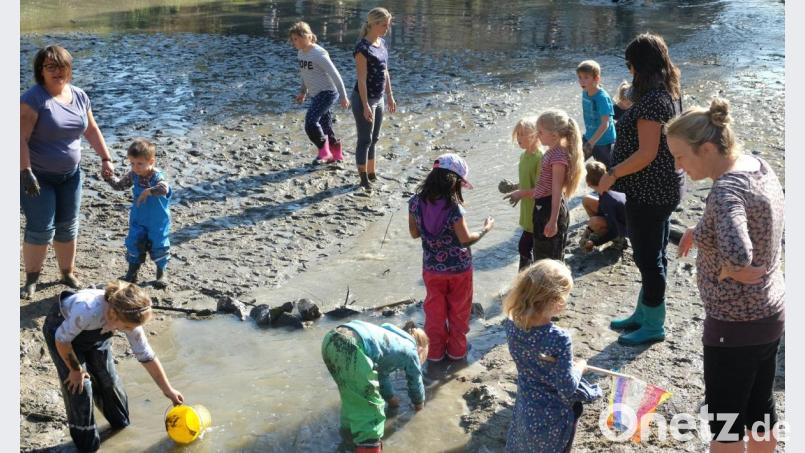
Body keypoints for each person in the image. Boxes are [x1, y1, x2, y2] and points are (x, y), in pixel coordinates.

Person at [669, 98, 784, 453]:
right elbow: (754, 219)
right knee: (760, 410)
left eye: (681, 157)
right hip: (769, 313)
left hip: (734, 327)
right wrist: (699, 230)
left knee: (726, 426)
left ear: (706, 149)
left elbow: (739, 253)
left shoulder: (724, 191)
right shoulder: (757, 166)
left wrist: (726, 268)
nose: (677, 166)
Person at [598, 33, 684, 346]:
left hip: (650, 193)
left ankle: (654, 324)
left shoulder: (653, 102)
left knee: (649, 260)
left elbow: (646, 153)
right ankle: (644, 312)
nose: (629, 70)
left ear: (639, 65)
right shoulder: (666, 92)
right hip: (660, 188)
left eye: (629, 64)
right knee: (653, 255)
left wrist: (612, 174)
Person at [20, 44, 115, 299]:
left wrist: (106, 158)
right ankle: (31, 279)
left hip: (71, 175)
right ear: (41, 70)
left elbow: (91, 129)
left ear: (69, 69)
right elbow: (19, 138)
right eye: (50, 66)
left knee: (67, 226)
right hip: (37, 176)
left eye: (61, 66)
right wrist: (25, 171)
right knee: (41, 228)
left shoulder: (80, 96)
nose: (57, 71)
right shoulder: (33, 99)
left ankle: (66, 273)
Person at [42, 282, 184, 452]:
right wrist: (75, 370)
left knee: (108, 379)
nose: (132, 331)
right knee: (81, 386)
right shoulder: (87, 310)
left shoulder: (128, 318)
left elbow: (146, 356)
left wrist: (168, 390)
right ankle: (86, 445)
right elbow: (61, 340)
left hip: (98, 332)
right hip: (62, 332)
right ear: (112, 314)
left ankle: (121, 425)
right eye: (128, 328)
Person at [503, 260, 602, 453]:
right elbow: (567, 387)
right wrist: (579, 367)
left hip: (526, 403)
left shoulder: (511, 324)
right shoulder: (559, 338)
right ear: (557, 301)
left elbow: (530, 355)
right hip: (553, 414)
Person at [408, 153, 493, 361]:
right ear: (454, 182)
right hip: (459, 270)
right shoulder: (453, 208)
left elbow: (414, 233)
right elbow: (465, 240)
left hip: (431, 269)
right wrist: (485, 230)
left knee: (434, 314)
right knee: (459, 313)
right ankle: (457, 352)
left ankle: (434, 354)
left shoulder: (415, 203)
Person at [321, 320, 429, 453]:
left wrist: (391, 399)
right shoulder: (411, 350)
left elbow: (381, 376)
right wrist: (419, 406)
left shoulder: (388, 337)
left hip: (331, 339)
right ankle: (368, 446)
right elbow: (415, 382)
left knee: (351, 396)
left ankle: (348, 436)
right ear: (420, 349)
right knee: (371, 407)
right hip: (352, 345)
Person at [509, 110, 584, 263]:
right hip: (542, 206)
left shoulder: (558, 156)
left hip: (550, 208)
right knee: (540, 254)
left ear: (554, 135)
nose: (537, 135)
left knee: (549, 259)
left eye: (541, 132)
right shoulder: (551, 152)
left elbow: (556, 190)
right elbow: (544, 184)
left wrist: (553, 220)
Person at [104, 139, 172, 288]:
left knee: (159, 244)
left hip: (157, 220)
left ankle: (161, 273)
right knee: (134, 242)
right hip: (138, 217)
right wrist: (109, 178)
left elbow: (164, 189)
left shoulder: (157, 177)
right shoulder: (134, 175)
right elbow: (120, 186)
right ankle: (132, 273)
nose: (135, 167)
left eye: (140, 163)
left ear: (151, 161)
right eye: (132, 163)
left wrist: (148, 191)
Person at [289, 21, 350, 164]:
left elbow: (335, 75)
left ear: (308, 36)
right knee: (325, 125)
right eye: (293, 39)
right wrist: (303, 92)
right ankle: (336, 154)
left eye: (298, 38)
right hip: (316, 94)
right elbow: (305, 74)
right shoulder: (300, 54)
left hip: (328, 93)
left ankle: (324, 151)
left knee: (311, 121)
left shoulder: (318, 54)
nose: (295, 42)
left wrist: (343, 96)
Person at [351, 7, 396, 193]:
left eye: (388, 25)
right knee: (365, 139)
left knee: (375, 138)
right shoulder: (362, 48)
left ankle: (371, 173)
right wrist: (365, 105)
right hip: (364, 98)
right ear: (373, 24)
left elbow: (385, 71)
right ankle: (363, 179)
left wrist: (390, 95)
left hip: (379, 98)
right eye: (384, 25)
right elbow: (361, 79)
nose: (387, 28)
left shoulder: (382, 43)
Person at [503, 116, 543, 270]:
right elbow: (527, 182)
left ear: (534, 135)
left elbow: (541, 189)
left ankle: (524, 278)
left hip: (538, 210)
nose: (518, 138)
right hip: (527, 210)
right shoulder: (523, 156)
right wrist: (515, 189)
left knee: (525, 247)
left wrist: (520, 193)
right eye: (517, 134)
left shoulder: (540, 158)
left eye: (522, 134)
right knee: (527, 247)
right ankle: (527, 278)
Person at [579, 161, 627, 252]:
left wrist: (595, 242)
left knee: (594, 221)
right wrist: (588, 231)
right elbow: (603, 211)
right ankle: (598, 230)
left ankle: (619, 240)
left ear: (588, 183)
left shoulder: (607, 200)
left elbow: (615, 229)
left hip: (623, 228)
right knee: (586, 200)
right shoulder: (605, 189)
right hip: (619, 218)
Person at [576, 60, 617, 168]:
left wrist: (591, 143)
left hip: (604, 142)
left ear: (596, 79)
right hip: (589, 137)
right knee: (574, 164)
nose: (581, 81)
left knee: (608, 170)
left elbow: (605, 124)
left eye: (586, 77)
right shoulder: (585, 92)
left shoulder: (602, 98)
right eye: (580, 77)